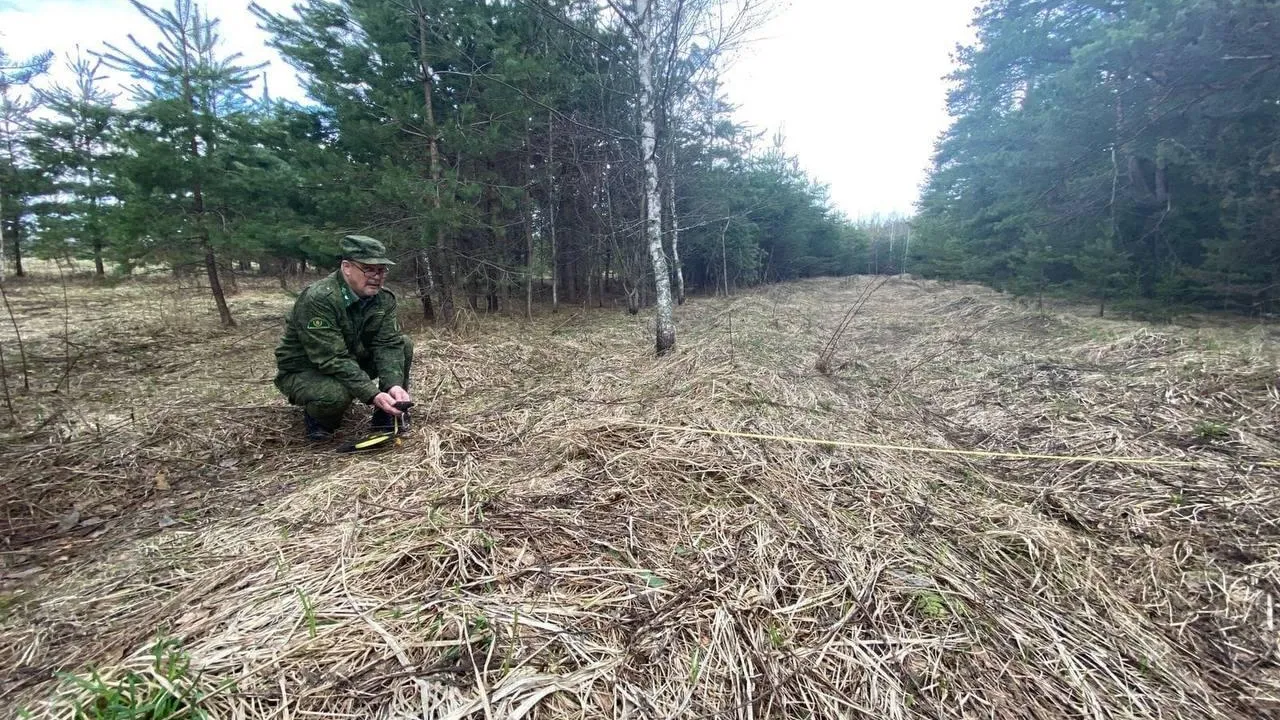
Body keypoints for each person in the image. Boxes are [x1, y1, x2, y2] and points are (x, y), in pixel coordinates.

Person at [274, 235, 414, 440]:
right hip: (307, 369)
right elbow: (331, 358)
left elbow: (388, 344)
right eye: (368, 269)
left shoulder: (383, 299)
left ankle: (387, 414)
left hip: (349, 359)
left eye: (381, 270)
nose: (376, 276)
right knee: (335, 395)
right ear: (347, 267)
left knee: (403, 344)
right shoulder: (320, 298)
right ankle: (319, 419)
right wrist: (371, 393)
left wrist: (393, 385)